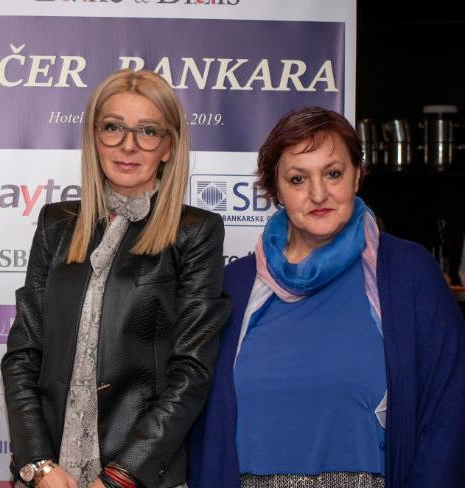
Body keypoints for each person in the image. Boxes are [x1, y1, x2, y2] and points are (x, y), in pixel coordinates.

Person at [189, 107, 465, 487]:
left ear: (357, 175)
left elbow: (448, 412)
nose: (318, 193)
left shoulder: (408, 274)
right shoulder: (235, 286)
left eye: (333, 173)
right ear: (276, 190)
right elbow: (204, 431)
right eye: (298, 179)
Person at [1, 69, 231, 488]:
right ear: (94, 137)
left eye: (148, 131)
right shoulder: (56, 224)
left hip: (139, 477)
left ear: (169, 146)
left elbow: (191, 371)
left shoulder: (196, 232)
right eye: (113, 127)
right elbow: (23, 354)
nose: (128, 145)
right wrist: (38, 464)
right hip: (51, 476)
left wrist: (122, 476)